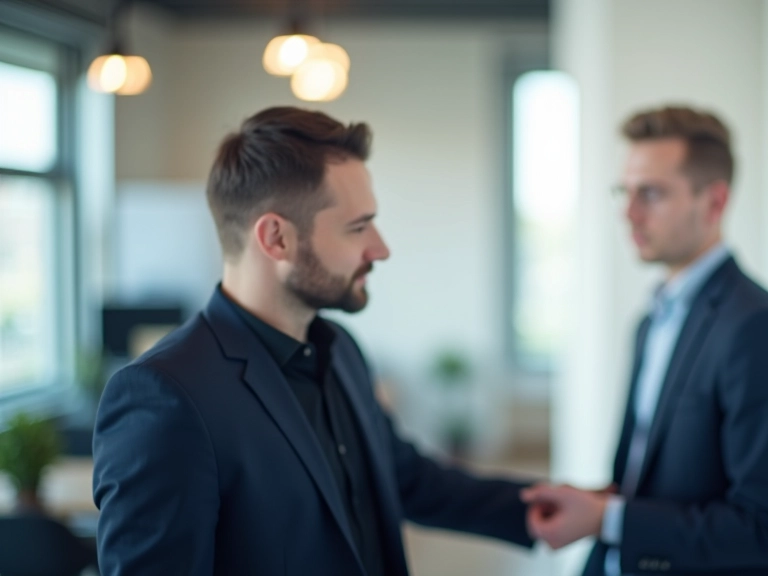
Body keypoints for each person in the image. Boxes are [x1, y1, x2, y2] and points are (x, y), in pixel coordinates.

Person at [92, 106, 534, 576]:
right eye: (357, 227)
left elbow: (402, 476)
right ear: (277, 239)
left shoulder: (341, 349)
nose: (380, 248)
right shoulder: (164, 396)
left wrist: (535, 507)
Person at [521, 106, 768, 576]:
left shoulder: (758, 329)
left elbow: (765, 530)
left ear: (714, 202)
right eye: (625, 191)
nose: (628, 212)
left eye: (651, 194)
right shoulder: (652, 318)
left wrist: (605, 518)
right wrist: (600, 504)